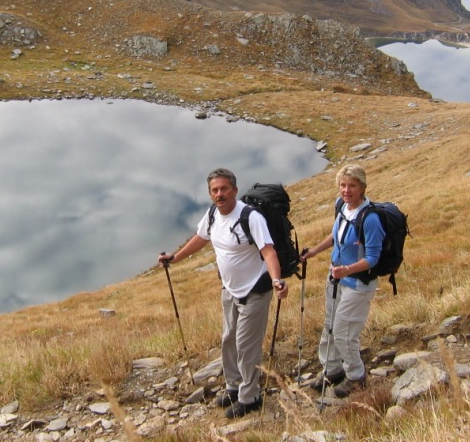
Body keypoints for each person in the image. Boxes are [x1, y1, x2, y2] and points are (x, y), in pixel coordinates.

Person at [158, 168, 288, 419]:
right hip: (229, 288)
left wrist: (276, 280)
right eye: (215, 190)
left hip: (255, 289)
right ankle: (233, 387)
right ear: (210, 194)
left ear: (234, 190)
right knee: (229, 339)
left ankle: (250, 398)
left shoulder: (251, 217)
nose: (220, 194)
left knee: (246, 345)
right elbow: (201, 238)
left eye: (224, 189)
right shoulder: (212, 214)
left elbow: (268, 252)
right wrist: (175, 258)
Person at [299, 164, 384, 398]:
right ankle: (332, 369)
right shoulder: (342, 206)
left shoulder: (370, 219)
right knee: (330, 325)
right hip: (336, 278)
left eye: (352, 186)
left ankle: (356, 376)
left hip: (358, 284)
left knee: (343, 331)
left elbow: (372, 258)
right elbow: (336, 235)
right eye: (343, 185)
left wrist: (347, 270)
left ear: (362, 187)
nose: (346, 190)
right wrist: (314, 251)